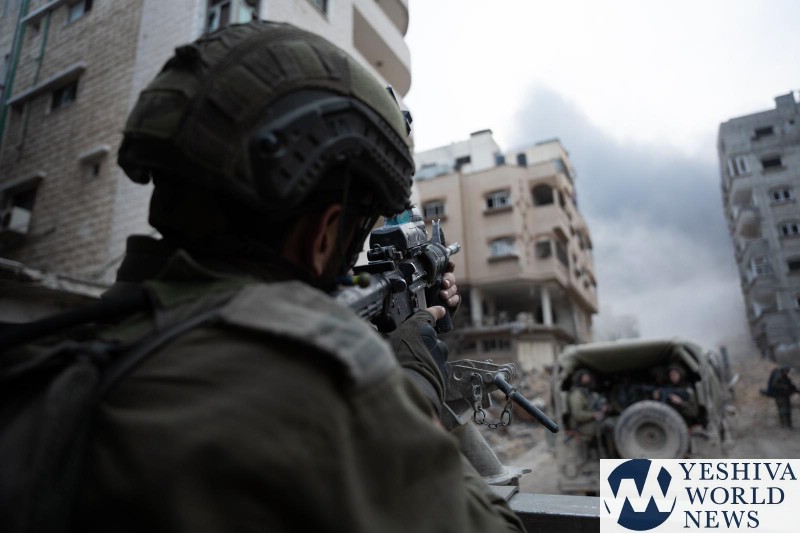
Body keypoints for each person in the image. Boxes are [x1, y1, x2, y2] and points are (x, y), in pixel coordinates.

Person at [66, 21, 524, 533]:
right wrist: (412, 383)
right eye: (357, 231)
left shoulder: (74, 348)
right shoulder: (321, 394)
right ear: (324, 235)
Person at [567, 368, 616, 457]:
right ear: (579, 378)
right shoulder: (576, 395)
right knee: (610, 425)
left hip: (592, 421)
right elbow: (578, 415)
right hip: (582, 426)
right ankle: (611, 455)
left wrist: (603, 407)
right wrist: (594, 415)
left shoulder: (588, 392)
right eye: (585, 377)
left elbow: (597, 402)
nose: (589, 378)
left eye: (588, 376)